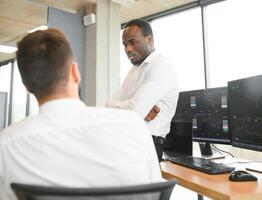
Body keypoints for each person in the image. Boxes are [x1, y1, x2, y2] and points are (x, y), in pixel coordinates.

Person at [0, 29, 161, 200]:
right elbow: (155, 194)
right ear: (75, 72)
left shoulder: (7, 145)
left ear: (27, 86)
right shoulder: (133, 125)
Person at [106, 19, 179, 162]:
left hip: (147, 145)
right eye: (125, 44)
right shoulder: (134, 71)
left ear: (149, 39)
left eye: (132, 42)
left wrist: (134, 107)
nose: (128, 49)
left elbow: (134, 110)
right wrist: (135, 107)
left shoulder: (161, 66)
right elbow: (108, 105)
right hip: (127, 141)